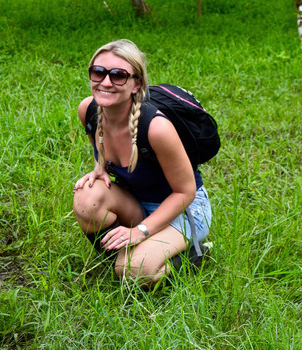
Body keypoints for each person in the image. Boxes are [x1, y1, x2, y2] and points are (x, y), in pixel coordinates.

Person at [72, 39, 212, 287]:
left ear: (136, 84)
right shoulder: (88, 110)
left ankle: (194, 255)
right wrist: (99, 167)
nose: (105, 82)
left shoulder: (157, 128)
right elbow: (99, 143)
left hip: (183, 210)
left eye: (118, 75)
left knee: (135, 272)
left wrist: (140, 231)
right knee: (86, 197)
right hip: (137, 202)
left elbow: (186, 191)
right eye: (98, 72)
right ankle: (122, 258)